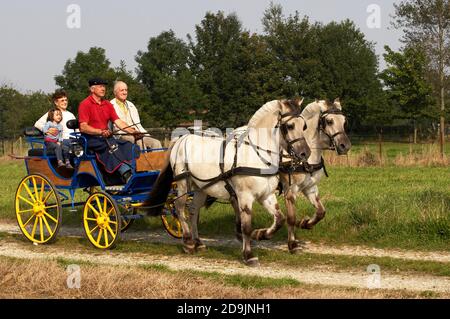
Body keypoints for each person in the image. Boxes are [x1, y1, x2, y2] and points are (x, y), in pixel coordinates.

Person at [78, 78, 142, 184]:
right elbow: (83, 127)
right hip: (91, 139)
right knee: (112, 147)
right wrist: (100, 132)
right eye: (100, 86)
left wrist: (133, 132)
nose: (103, 89)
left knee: (127, 145)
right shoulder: (85, 104)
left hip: (106, 137)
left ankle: (134, 171)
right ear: (92, 89)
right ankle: (126, 173)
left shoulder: (107, 104)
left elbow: (118, 122)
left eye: (104, 86)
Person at [110, 81, 162, 149]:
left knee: (156, 143)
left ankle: (157, 160)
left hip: (137, 133)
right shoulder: (110, 105)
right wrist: (131, 132)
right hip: (121, 135)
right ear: (115, 92)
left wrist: (144, 134)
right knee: (140, 143)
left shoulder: (131, 105)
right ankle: (143, 159)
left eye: (126, 90)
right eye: (122, 90)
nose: (125, 92)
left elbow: (138, 124)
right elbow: (114, 127)